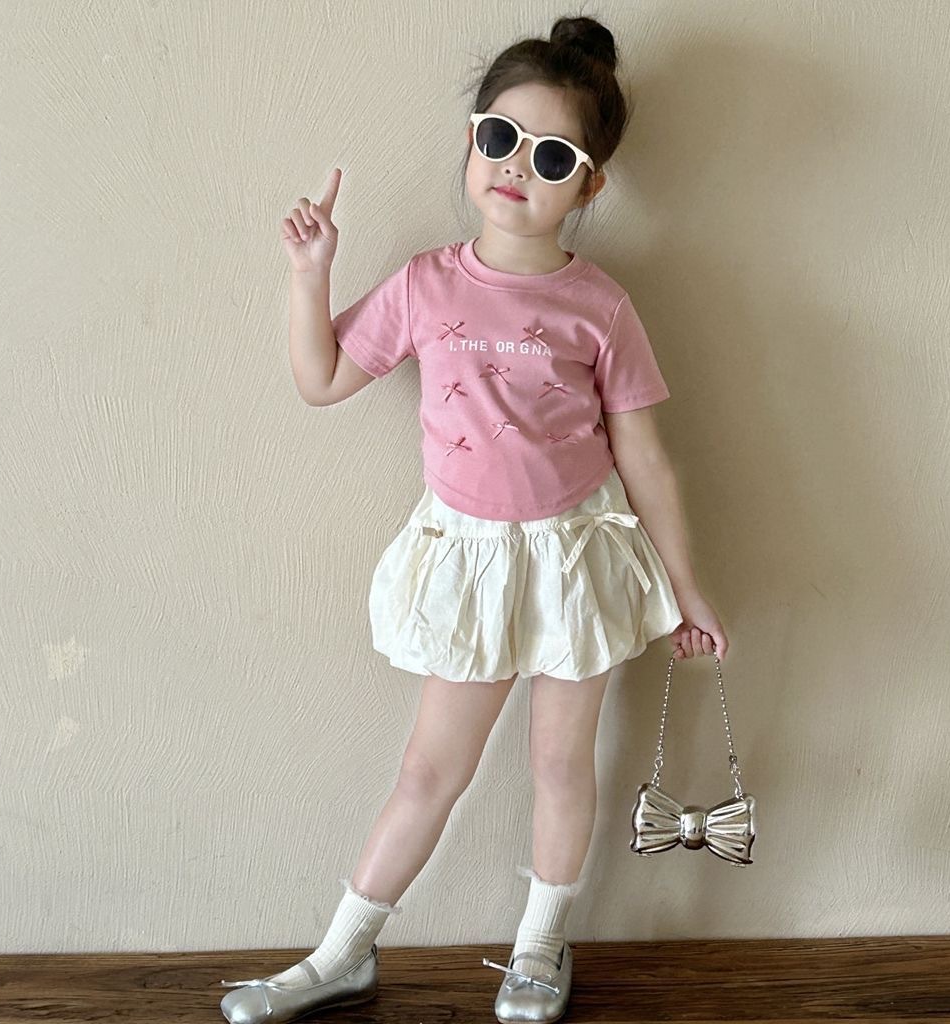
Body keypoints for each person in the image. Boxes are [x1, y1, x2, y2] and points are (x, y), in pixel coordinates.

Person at [219, 14, 729, 1024]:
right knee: (429, 769)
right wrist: (310, 273)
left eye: (552, 156)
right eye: (500, 138)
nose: (516, 167)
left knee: (560, 764)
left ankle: (540, 948)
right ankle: (340, 954)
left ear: (589, 186)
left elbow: (646, 459)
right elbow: (322, 378)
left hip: (576, 558)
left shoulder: (602, 306)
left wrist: (686, 588)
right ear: (471, 143)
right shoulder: (425, 284)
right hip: (469, 559)